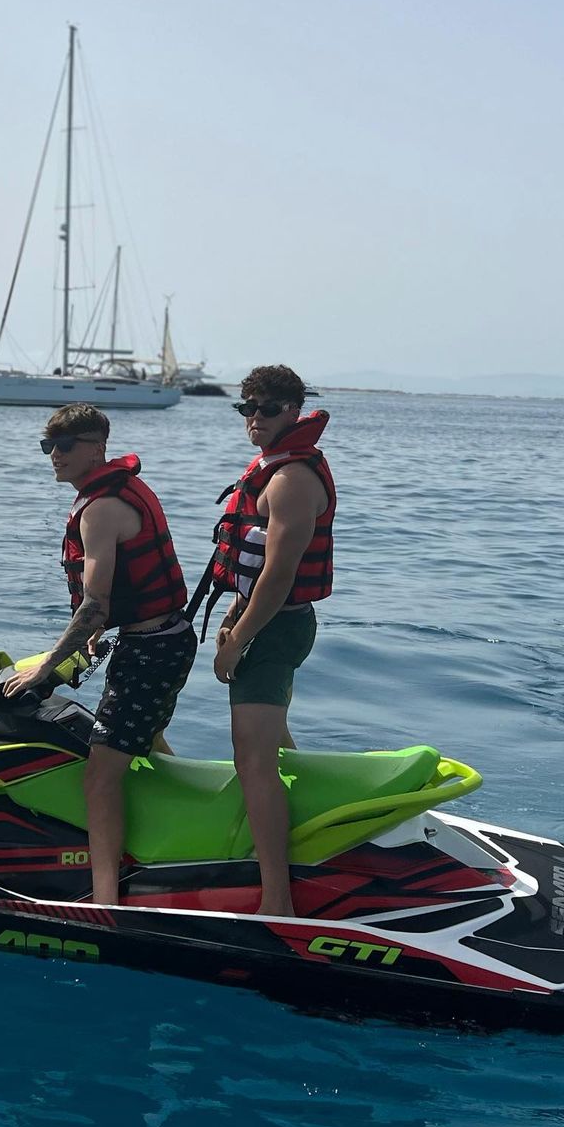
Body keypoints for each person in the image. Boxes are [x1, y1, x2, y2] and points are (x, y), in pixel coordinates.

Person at [4, 403, 196, 905]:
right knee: (148, 739)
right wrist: (92, 637)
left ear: (97, 448)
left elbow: (95, 604)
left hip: (151, 650)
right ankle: (193, 826)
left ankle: (106, 899)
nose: (55, 456)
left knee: (99, 775)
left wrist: (46, 667)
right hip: (162, 639)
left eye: (66, 446)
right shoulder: (109, 495)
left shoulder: (102, 508)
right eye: (48, 446)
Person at [196, 364, 335, 916]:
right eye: (246, 407)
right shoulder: (272, 468)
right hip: (264, 620)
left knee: (252, 760)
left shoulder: (292, 479)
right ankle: (320, 833)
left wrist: (237, 642)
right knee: (274, 741)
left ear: (295, 410)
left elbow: (278, 577)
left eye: (267, 409)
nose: (254, 418)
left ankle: (277, 895)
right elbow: (253, 573)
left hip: (278, 627)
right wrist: (232, 614)